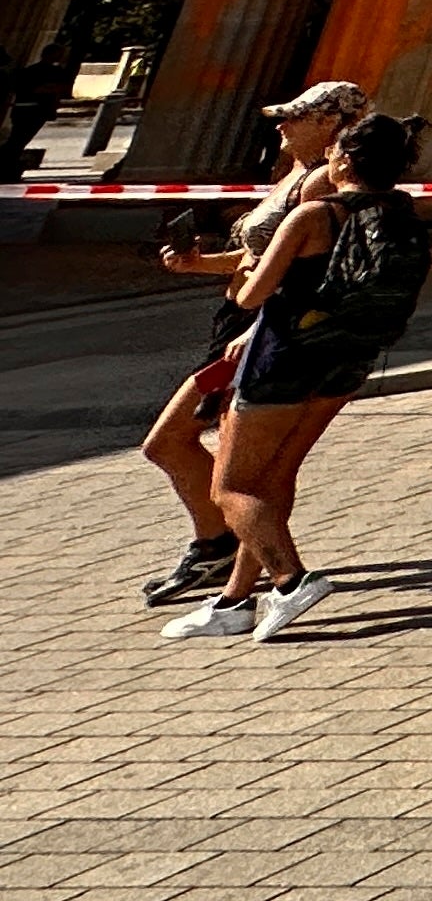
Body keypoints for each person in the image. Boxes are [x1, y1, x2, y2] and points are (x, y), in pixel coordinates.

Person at [159, 111, 432, 639]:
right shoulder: (397, 212)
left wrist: (237, 282)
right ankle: (234, 603)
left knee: (231, 488)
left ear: (344, 160)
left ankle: (291, 581)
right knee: (273, 478)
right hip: (346, 360)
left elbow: (252, 295)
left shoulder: (311, 216)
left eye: (334, 150)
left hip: (283, 359)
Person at [137, 78, 360, 610]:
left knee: (171, 443)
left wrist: (254, 329)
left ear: (330, 124)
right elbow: (258, 256)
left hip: (262, 329)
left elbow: (305, 271)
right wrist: (198, 264)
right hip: (242, 321)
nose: (281, 125)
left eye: (294, 117)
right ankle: (228, 555)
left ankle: (233, 554)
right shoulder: (297, 174)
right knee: (234, 462)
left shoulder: (322, 186)